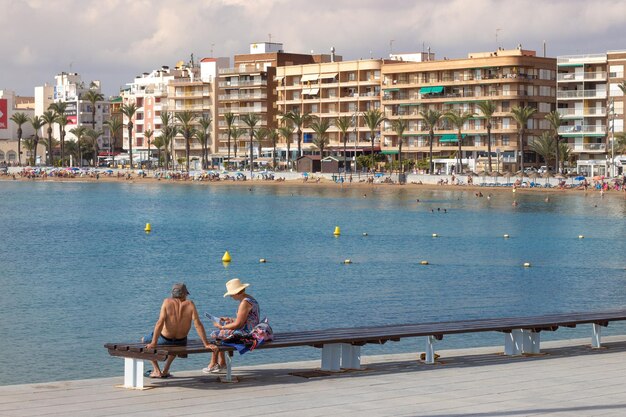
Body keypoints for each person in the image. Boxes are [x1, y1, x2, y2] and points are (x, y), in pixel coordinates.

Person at [144, 283, 215, 378]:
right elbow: (198, 324)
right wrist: (206, 343)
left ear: (173, 294)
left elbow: (159, 323)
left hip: (165, 339)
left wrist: (153, 343)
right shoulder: (190, 304)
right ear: (184, 294)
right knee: (174, 345)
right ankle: (165, 370)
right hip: (181, 341)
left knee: (144, 341)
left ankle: (157, 370)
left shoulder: (167, 302)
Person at [203, 278, 260, 374]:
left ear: (236, 293)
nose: (231, 297)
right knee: (221, 333)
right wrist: (228, 319)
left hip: (248, 332)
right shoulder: (249, 299)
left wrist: (222, 327)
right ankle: (221, 363)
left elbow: (239, 324)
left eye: (231, 294)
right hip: (251, 328)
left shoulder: (244, 303)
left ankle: (215, 363)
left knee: (217, 334)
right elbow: (245, 319)